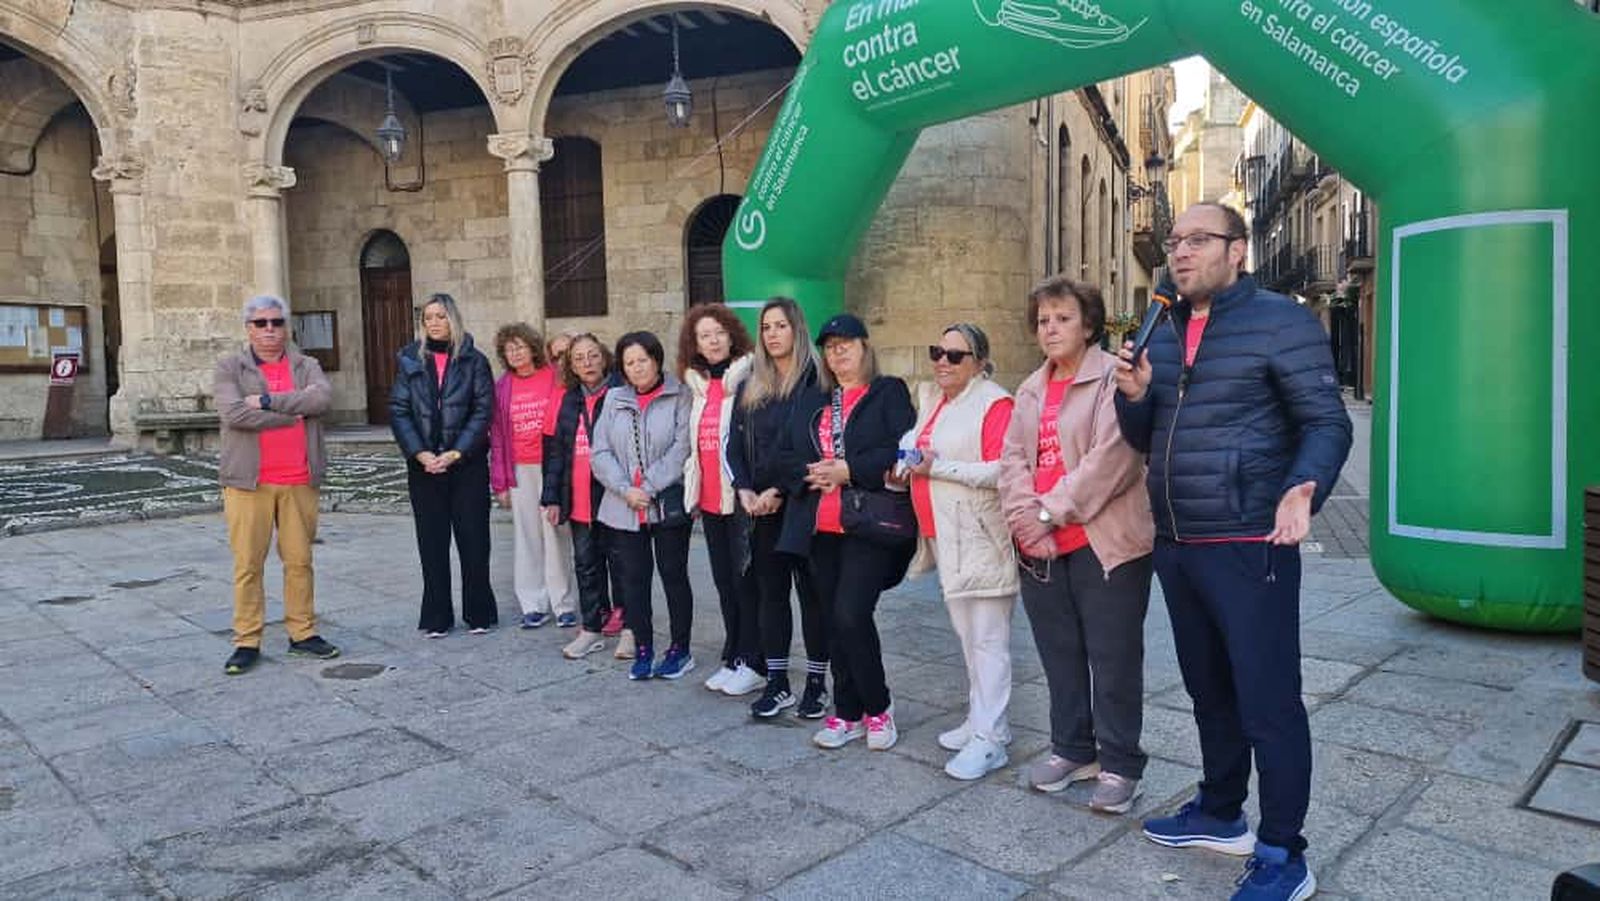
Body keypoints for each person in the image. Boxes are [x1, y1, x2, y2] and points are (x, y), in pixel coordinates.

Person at [1114, 202, 1352, 901]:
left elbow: (1325, 420)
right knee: (1207, 689)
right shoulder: (1158, 328)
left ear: (1237, 250)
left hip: (1252, 542)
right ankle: (1221, 811)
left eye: (1198, 240)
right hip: (1179, 543)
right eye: (1175, 241)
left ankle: (1284, 851)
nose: (1180, 252)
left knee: (1267, 700)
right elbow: (1141, 434)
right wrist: (1133, 397)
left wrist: (1303, 486)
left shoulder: (1282, 321)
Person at [997, 276, 1155, 813]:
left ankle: (1119, 763)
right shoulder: (1029, 389)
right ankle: (1072, 748)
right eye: (1043, 320)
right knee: (1059, 655)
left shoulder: (1114, 377)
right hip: (1041, 546)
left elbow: (1113, 460)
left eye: (1063, 318)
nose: (1051, 328)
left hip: (1104, 543)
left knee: (1112, 659)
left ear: (1089, 325)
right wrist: (1024, 519)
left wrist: (1047, 511)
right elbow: (1013, 460)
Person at [778, 313, 916, 751]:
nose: (838, 353)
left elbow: (901, 449)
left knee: (851, 613)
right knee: (833, 620)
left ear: (865, 346)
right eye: (830, 346)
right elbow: (784, 454)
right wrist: (809, 474)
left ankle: (879, 706)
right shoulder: (815, 399)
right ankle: (847, 711)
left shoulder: (887, 392)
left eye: (846, 344)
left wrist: (849, 470)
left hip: (868, 523)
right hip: (821, 525)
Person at [890, 322, 1018, 781]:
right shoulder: (936, 402)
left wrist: (936, 466)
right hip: (947, 535)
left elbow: (1003, 469)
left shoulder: (994, 402)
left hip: (980, 535)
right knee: (969, 638)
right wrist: (905, 468)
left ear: (979, 362)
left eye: (955, 355)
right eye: (937, 352)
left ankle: (991, 737)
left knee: (988, 641)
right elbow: (919, 452)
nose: (942, 361)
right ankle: (980, 719)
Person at [213, 295, 340, 675]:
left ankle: (302, 634)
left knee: (300, 562)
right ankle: (246, 640)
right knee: (248, 565)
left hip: (299, 479)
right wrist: (290, 416)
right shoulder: (229, 367)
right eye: (261, 323)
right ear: (248, 329)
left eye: (276, 322)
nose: (270, 330)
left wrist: (266, 401)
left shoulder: (307, 364)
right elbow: (234, 413)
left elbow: (320, 399)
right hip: (249, 482)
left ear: (287, 326)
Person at [728, 298, 829, 719]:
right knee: (771, 595)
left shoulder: (819, 383)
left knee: (812, 596)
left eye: (780, 326)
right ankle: (777, 681)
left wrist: (780, 491)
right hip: (761, 509)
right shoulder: (752, 382)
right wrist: (744, 489)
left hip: (803, 503)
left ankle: (818, 684)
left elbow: (820, 445)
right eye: (766, 327)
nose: (771, 334)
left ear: (797, 329)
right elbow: (734, 444)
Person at [390, 292, 498, 637]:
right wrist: (420, 453)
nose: (434, 323)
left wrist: (456, 453)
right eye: (428, 318)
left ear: (453, 318)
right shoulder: (410, 359)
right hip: (424, 468)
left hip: (466, 465)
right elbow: (399, 410)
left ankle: (479, 613)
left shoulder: (474, 361)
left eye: (441, 316)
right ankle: (437, 616)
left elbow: (483, 411)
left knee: (474, 540)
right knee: (432, 543)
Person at [591, 331, 696, 681]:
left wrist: (647, 487)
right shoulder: (613, 399)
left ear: (656, 359)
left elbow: (682, 447)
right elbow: (600, 451)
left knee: (673, 576)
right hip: (624, 505)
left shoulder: (679, 394)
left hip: (666, 503)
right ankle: (644, 647)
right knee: (634, 581)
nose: (637, 369)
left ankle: (680, 649)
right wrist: (625, 489)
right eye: (629, 363)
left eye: (642, 360)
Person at [677, 304, 763, 698]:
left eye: (718, 333)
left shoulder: (749, 379)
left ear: (731, 336)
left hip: (739, 500)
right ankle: (735, 654)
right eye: (703, 335)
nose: (711, 341)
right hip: (709, 498)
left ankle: (754, 660)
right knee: (724, 581)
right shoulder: (695, 386)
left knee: (746, 582)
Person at [540, 333, 627, 660]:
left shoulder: (619, 394)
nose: (587, 363)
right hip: (577, 499)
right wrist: (551, 497)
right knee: (586, 564)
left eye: (593, 356)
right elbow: (557, 454)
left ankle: (629, 623)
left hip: (612, 496)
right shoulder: (569, 400)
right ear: (571, 366)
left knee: (621, 562)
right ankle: (591, 627)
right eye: (579, 358)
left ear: (604, 358)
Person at [489, 322, 577, 629]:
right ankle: (533, 603)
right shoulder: (502, 387)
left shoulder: (554, 377)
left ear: (533, 348)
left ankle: (562, 603)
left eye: (519, 347)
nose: (514, 353)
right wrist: (499, 481)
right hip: (520, 470)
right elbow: (497, 437)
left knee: (556, 534)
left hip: (552, 465)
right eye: (508, 349)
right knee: (527, 537)